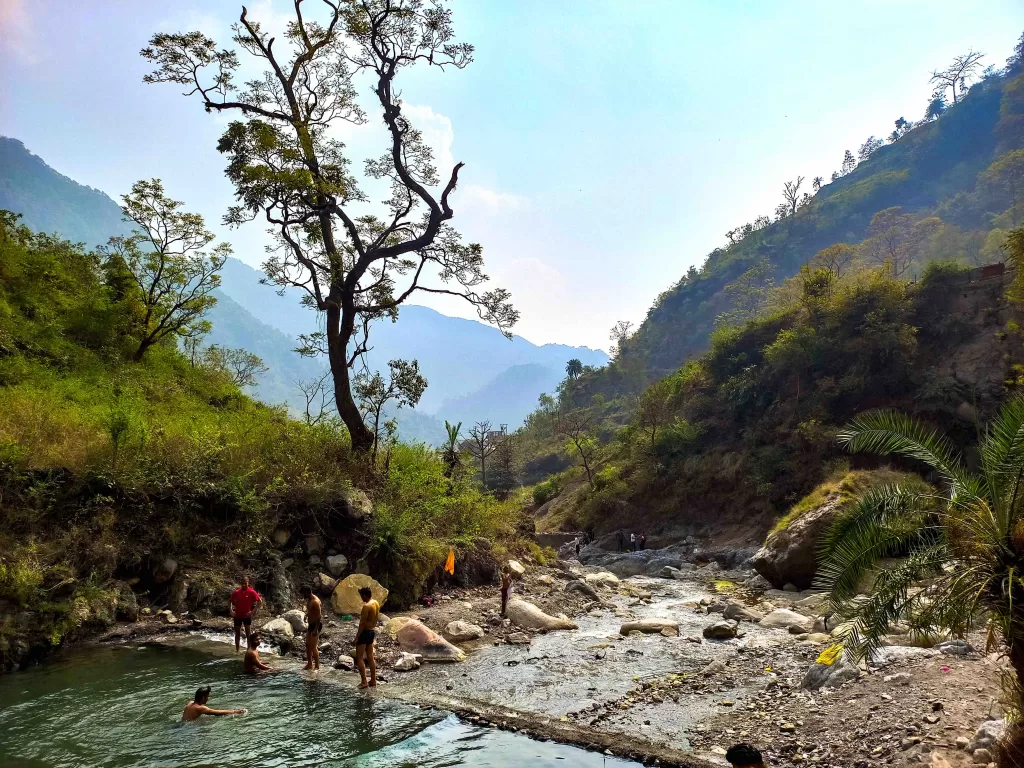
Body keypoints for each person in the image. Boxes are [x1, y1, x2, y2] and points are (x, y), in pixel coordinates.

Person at [354, 586, 380, 689]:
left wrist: (356, 637)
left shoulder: (366, 606)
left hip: (365, 632)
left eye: (361, 596)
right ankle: (373, 680)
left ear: (365, 595)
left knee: (359, 657)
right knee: (370, 656)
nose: (361, 598)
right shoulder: (376, 603)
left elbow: (362, 624)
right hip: (372, 631)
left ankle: (364, 681)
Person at [229, 575, 262, 653]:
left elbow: (259, 601)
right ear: (240, 583)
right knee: (237, 634)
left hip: (247, 615)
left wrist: (252, 611)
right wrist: (231, 611)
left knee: (248, 634)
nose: (244, 585)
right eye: (242, 583)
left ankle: (248, 651)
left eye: (245, 583)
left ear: (248, 583)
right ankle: (237, 651)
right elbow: (230, 601)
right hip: (237, 616)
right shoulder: (237, 592)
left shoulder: (251, 592)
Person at [300, 585, 323, 671]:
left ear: (307, 592)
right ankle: (309, 664)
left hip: (316, 625)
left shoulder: (315, 601)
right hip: (310, 624)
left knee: (313, 647)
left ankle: (317, 666)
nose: (302, 596)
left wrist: (315, 629)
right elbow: (311, 611)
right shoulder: (309, 600)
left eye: (303, 593)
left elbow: (319, 616)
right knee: (307, 645)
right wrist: (306, 615)